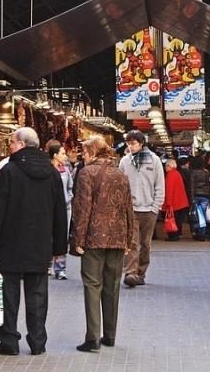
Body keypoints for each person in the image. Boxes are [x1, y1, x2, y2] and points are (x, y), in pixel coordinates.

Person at [0, 127, 68, 356]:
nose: (10, 145)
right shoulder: (51, 173)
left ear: (21, 144)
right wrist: (60, 246)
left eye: (12, 142)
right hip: (41, 243)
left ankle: (9, 341)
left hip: (11, 242)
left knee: (9, 294)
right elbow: (59, 211)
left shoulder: (9, 171)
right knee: (38, 295)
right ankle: (38, 342)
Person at [71, 136, 136, 352]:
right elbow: (129, 208)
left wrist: (78, 240)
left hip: (93, 238)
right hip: (117, 239)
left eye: (85, 152)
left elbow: (82, 209)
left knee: (92, 285)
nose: (83, 156)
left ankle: (92, 338)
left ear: (92, 152)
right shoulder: (120, 174)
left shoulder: (86, 173)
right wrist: (128, 240)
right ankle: (110, 335)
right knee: (112, 286)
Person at [119, 130, 165, 288]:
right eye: (128, 143)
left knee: (145, 244)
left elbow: (159, 185)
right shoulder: (125, 161)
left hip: (149, 209)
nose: (130, 146)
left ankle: (141, 272)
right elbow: (120, 185)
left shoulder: (154, 160)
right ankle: (130, 272)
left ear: (141, 143)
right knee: (131, 242)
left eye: (133, 143)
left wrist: (155, 206)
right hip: (131, 208)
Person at [45, 139, 74, 280]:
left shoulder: (66, 170)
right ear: (55, 155)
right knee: (49, 236)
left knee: (62, 237)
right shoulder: (46, 170)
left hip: (65, 208)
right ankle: (48, 265)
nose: (65, 156)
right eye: (62, 153)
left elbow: (70, 188)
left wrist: (66, 199)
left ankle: (61, 268)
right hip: (49, 209)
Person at [162, 159, 190, 241]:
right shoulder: (177, 173)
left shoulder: (170, 175)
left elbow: (169, 190)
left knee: (172, 219)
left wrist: (168, 203)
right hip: (180, 202)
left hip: (174, 202)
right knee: (178, 220)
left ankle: (173, 235)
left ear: (169, 166)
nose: (165, 168)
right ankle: (177, 234)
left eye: (166, 166)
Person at [188, 155, 210, 241]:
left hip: (196, 195)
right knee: (203, 215)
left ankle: (198, 233)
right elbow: (208, 184)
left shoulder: (193, 172)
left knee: (197, 216)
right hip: (205, 195)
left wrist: (191, 198)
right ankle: (202, 233)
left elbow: (192, 186)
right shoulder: (206, 172)